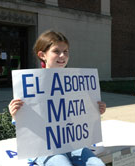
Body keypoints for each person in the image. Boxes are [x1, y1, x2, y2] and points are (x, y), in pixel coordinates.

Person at [8, 30, 106, 166]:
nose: (62, 55)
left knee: (97, 164)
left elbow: (81, 114)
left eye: (66, 51)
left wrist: (95, 110)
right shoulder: (31, 85)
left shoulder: (76, 83)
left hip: (73, 144)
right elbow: (27, 125)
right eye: (56, 51)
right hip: (45, 147)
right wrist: (15, 115)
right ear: (42, 55)